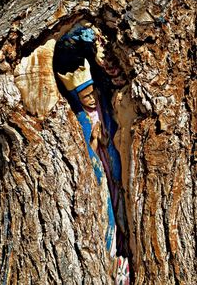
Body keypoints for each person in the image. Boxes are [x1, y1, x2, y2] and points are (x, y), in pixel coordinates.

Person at [58, 58, 130, 284]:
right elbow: (85, 150)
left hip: (113, 167)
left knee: (120, 207)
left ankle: (125, 250)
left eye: (92, 94)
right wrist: (94, 140)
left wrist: (107, 138)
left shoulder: (105, 109)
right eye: (84, 96)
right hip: (99, 170)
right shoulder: (81, 118)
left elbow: (113, 131)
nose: (90, 99)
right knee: (107, 208)